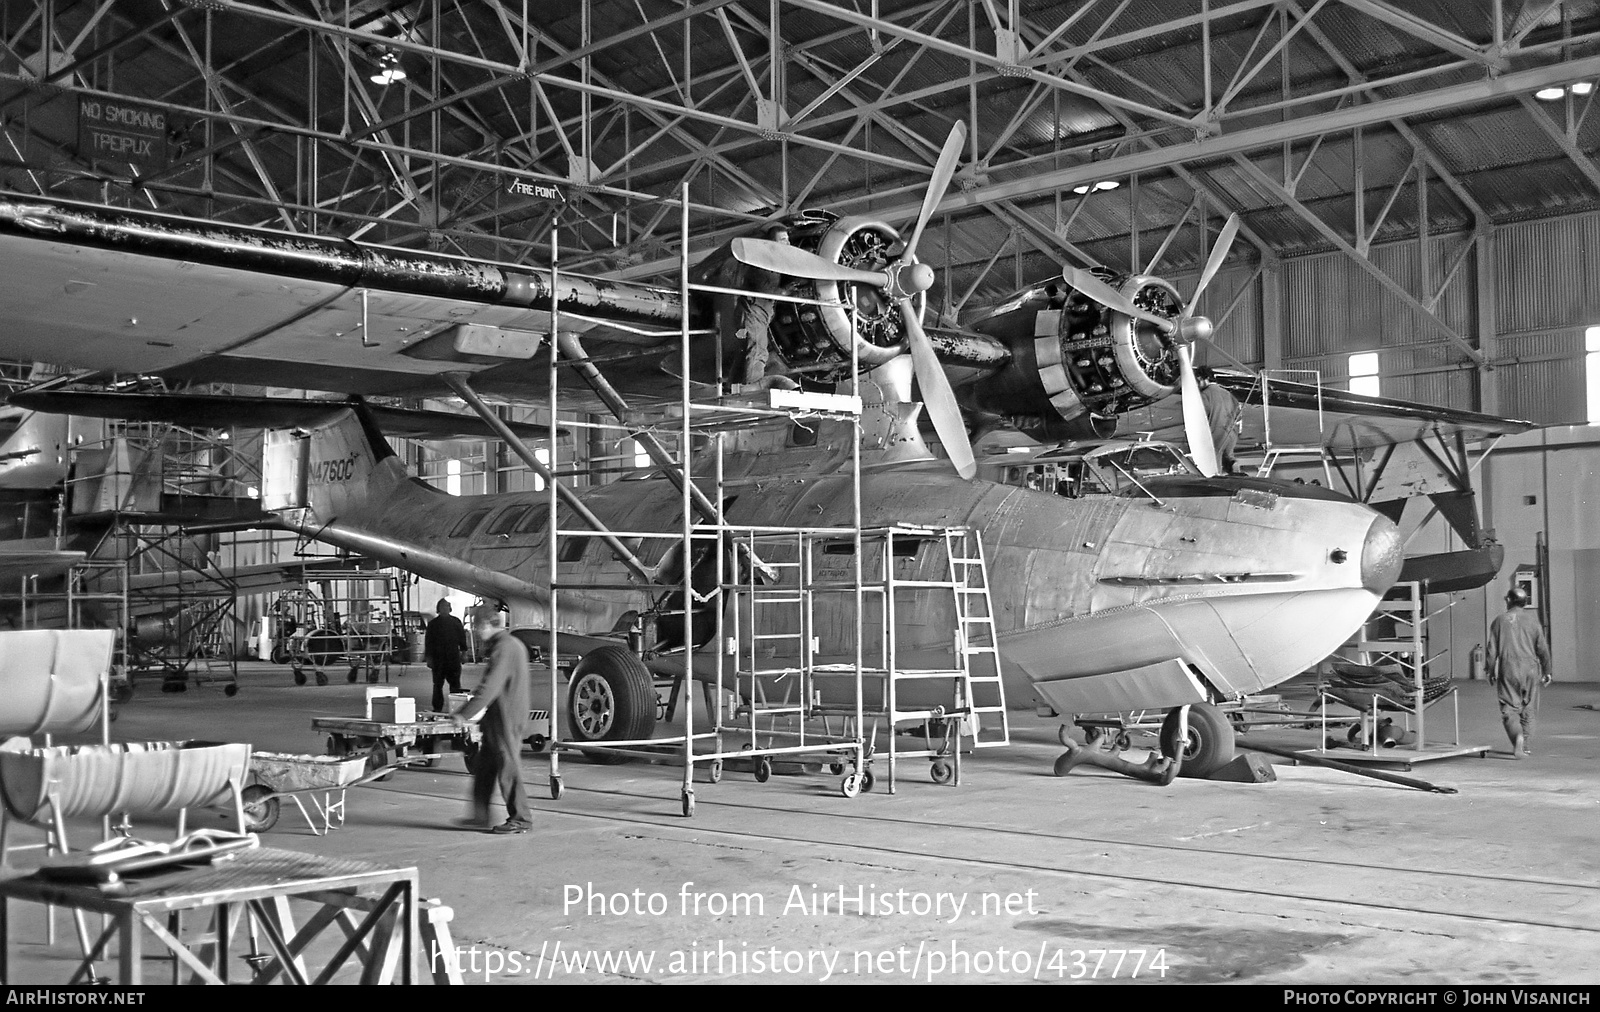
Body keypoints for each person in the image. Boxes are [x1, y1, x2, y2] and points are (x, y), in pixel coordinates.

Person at [451, 607, 531, 833]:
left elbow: (488, 688)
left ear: (486, 624)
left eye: (476, 626)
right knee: (485, 767)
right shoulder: (506, 645)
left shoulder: (505, 648)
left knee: (508, 767)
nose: (476, 632)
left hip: (506, 716)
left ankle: (521, 819)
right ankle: (480, 816)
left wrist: (463, 714)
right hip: (497, 715)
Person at [1486, 587, 1552, 758]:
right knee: (1528, 708)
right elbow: (1542, 649)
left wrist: (1490, 670)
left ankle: (1518, 739)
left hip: (1508, 668)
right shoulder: (1533, 621)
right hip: (1530, 669)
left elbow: (1491, 650)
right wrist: (1547, 670)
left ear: (1508, 601)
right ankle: (1526, 747)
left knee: (1508, 709)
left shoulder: (1499, 621)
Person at [423, 600, 469, 713]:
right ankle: (437, 708)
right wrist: (428, 658)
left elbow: (462, 639)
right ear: (439, 608)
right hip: (438, 660)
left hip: (453, 658)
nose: (445, 608)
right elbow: (428, 642)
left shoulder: (456, 622)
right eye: (443, 606)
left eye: (447, 606)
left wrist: (464, 653)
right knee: (437, 685)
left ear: (450, 608)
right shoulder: (433, 624)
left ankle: (456, 708)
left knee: (455, 686)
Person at [1196, 367, 1243, 473]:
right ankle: (1235, 471)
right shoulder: (1228, 394)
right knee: (1229, 459)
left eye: (1198, 381)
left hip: (1216, 434)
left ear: (1203, 379)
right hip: (1231, 434)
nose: (1197, 385)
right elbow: (1239, 415)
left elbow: (1200, 417)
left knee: (1214, 464)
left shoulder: (1204, 395)